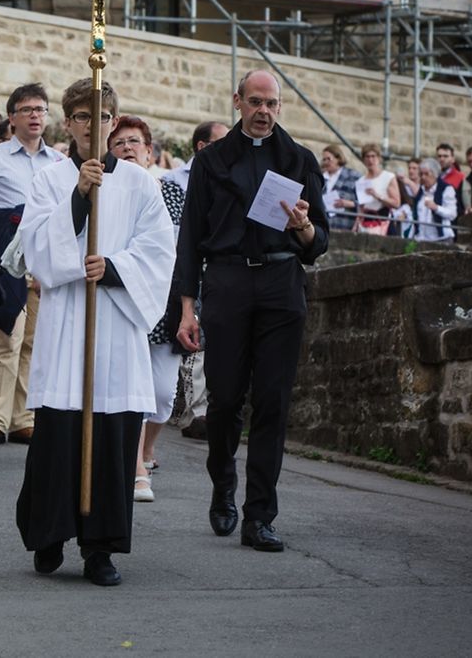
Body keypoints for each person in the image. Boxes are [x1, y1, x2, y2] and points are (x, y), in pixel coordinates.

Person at [14, 78, 175, 588]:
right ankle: (49, 534)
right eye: (82, 117)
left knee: (111, 437)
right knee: (59, 434)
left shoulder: (140, 183)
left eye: (101, 117)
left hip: (116, 324)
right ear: (68, 122)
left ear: (113, 122)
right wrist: (80, 195)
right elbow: (36, 246)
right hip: (67, 321)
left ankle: (100, 548)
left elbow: (158, 251)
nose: (92, 126)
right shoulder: (49, 178)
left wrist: (114, 267)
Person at [175, 69, 329, 553]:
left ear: (280, 107)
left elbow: (318, 243)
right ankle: (223, 485)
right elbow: (189, 241)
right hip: (227, 283)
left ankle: (260, 514)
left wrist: (303, 227)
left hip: (281, 284)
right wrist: (186, 308)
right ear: (237, 101)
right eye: (255, 101)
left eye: (272, 103)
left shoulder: (299, 159)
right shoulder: (212, 161)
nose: (264, 111)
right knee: (224, 400)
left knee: (274, 403)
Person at [0, 83, 64, 449]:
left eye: (41, 109)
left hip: (42, 255)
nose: (36, 116)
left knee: (34, 342)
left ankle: (24, 418)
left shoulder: (58, 162)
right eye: (28, 110)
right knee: (6, 337)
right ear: (12, 117)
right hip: (4, 254)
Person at [106, 116, 182, 504]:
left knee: (163, 393)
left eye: (134, 142)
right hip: (125, 302)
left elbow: (188, 256)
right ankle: (135, 468)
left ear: (150, 152)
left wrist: (191, 309)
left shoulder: (172, 195)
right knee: (133, 391)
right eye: (118, 144)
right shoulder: (109, 194)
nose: (127, 148)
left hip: (168, 307)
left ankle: (147, 450)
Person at [162, 121, 227, 443]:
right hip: (183, 266)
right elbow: (178, 227)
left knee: (210, 338)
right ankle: (195, 411)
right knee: (192, 336)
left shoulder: (228, 177)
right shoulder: (173, 181)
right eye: (222, 141)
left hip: (217, 265)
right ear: (203, 146)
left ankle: (203, 411)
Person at [353, 143, 400, 235]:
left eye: (373, 156)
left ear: (379, 158)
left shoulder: (388, 177)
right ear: (363, 160)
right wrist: (355, 225)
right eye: (367, 157)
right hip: (366, 223)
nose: (370, 160)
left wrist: (377, 196)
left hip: (383, 221)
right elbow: (361, 208)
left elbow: (396, 203)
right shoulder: (361, 181)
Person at [411, 158, 457, 242]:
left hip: (441, 238)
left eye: (426, 174)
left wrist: (436, 208)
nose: (423, 177)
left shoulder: (446, 189)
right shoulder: (421, 191)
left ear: (435, 174)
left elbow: (452, 214)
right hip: (421, 238)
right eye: (421, 174)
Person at [320, 144, 360, 231]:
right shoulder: (320, 177)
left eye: (329, 159)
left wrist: (350, 204)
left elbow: (365, 202)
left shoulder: (353, 176)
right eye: (324, 159)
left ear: (338, 158)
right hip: (323, 226)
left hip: (344, 225)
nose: (326, 162)